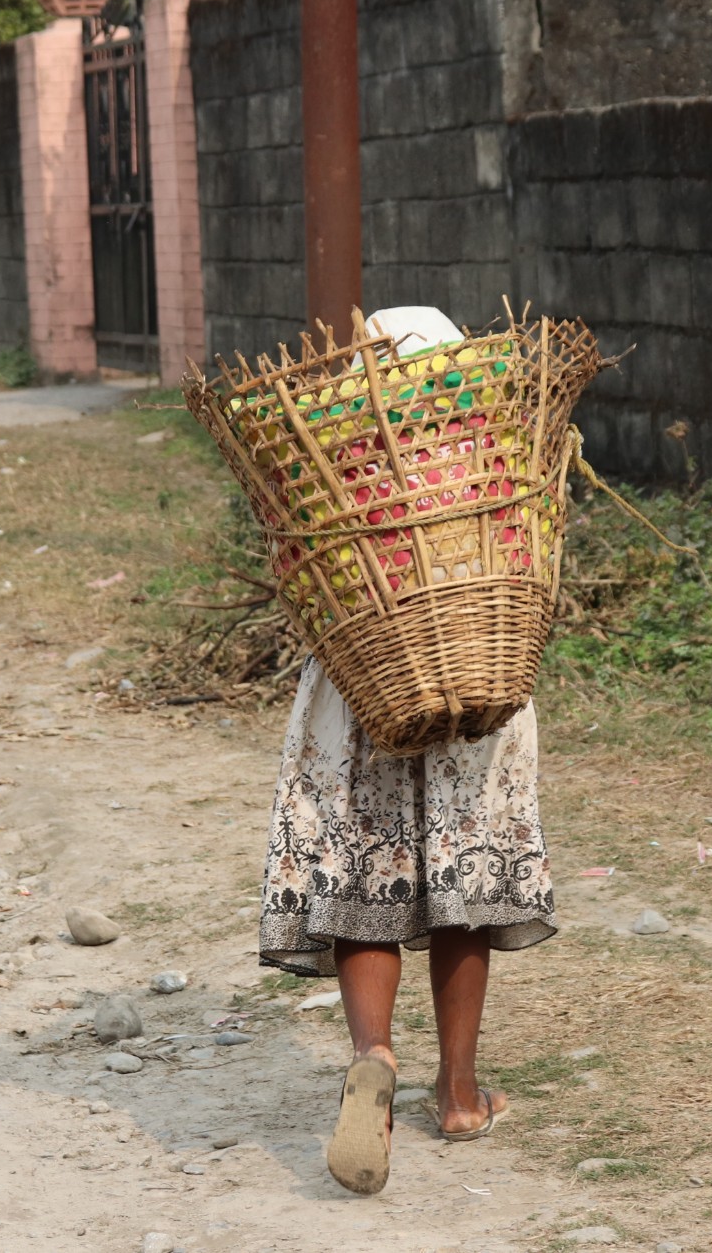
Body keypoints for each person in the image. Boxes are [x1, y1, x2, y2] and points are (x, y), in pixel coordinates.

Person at [256, 305, 556, 1197]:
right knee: (465, 877)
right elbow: (532, 560)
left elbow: (297, 571)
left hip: (362, 690)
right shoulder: (492, 455)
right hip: (478, 679)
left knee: (366, 881)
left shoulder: (333, 461)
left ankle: (373, 1055)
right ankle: (460, 1093)